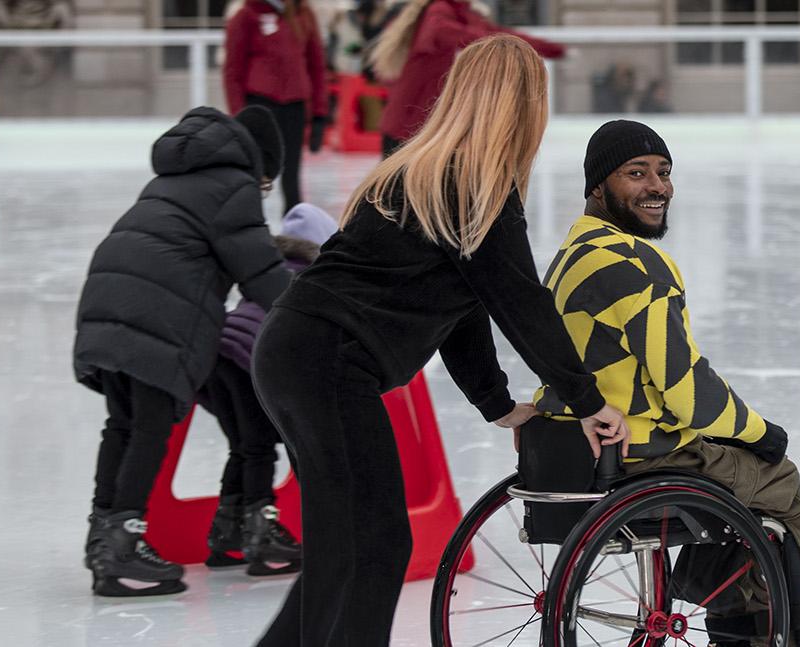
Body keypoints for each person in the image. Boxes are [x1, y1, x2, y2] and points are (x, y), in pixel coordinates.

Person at [249, 35, 629, 645]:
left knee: (344, 542)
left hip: (293, 351)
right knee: (374, 538)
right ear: (525, 104)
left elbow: (465, 307)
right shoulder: (475, 184)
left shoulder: (417, 171)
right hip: (328, 360)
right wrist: (587, 400)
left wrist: (497, 404)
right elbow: (520, 302)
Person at [530, 120, 800, 647]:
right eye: (635, 173)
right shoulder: (636, 265)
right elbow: (688, 391)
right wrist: (759, 433)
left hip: (565, 447)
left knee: (739, 469)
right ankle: (755, 629)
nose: (657, 186)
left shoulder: (570, 257)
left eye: (663, 172)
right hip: (641, 453)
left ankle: (719, 591)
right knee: (780, 483)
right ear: (597, 186)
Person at [74, 106, 293, 597]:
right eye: (265, 186)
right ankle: (124, 544)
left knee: (123, 423)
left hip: (108, 303)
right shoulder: (233, 184)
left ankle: (104, 535)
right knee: (149, 427)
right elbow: (258, 270)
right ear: (260, 168)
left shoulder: (178, 178)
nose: (260, 194)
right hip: (158, 314)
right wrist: (307, 313)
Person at [201, 203, 337, 577]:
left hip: (219, 355)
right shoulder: (311, 277)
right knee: (259, 445)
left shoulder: (272, 270)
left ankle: (228, 526)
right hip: (249, 361)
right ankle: (261, 532)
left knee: (244, 446)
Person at [367, 0, 566, 157]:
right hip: (407, 126)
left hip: (427, 127)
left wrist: (548, 48)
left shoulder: (462, 14)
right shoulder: (439, 11)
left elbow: (500, 35)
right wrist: (491, 43)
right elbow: (454, 33)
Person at [224, 0, 330, 211]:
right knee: (254, 171)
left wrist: (320, 114)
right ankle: (249, 226)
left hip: (294, 105)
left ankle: (294, 227)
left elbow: (316, 67)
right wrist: (239, 116)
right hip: (259, 105)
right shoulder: (247, 15)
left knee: (292, 175)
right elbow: (233, 71)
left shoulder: (304, 14)